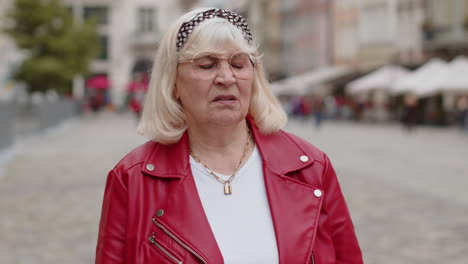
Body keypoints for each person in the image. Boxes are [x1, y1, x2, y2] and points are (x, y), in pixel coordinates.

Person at [95, 8, 363, 264]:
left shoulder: (310, 167)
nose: (226, 77)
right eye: (206, 65)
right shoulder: (133, 178)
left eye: (238, 64)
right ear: (173, 82)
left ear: (254, 77)